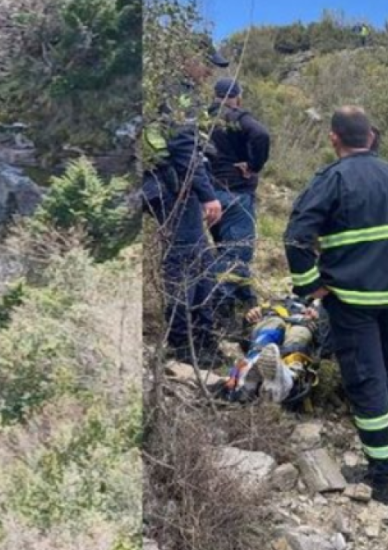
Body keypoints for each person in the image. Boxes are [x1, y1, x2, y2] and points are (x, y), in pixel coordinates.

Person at [284, 106, 388, 504]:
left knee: (367, 384)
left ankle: (384, 479)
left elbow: (296, 236)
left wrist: (311, 286)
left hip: (352, 300)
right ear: (370, 137)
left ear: (334, 138)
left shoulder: (333, 178)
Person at [143, 40, 227, 366]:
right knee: (186, 263)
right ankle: (185, 342)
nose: (209, 72)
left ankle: (201, 335)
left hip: (165, 185)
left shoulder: (165, 86)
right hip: (173, 188)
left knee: (201, 260)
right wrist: (208, 195)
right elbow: (183, 148)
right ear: (187, 58)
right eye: (206, 64)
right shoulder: (177, 92)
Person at [206, 77, 271, 322]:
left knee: (224, 253)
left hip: (210, 197)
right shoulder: (236, 117)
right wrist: (254, 166)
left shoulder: (203, 118)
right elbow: (261, 135)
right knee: (236, 258)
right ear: (238, 98)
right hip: (236, 195)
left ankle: (239, 306)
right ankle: (216, 315)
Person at [218, 296, 330, 410]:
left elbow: (328, 343)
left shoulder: (328, 304)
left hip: (302, 332)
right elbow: (246, 331)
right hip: (272, 324)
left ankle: (288, 377)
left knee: (299, 332)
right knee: (273, 323)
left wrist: (318, 321)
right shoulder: (284, 301)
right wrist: (252, 316)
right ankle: (252, 368)